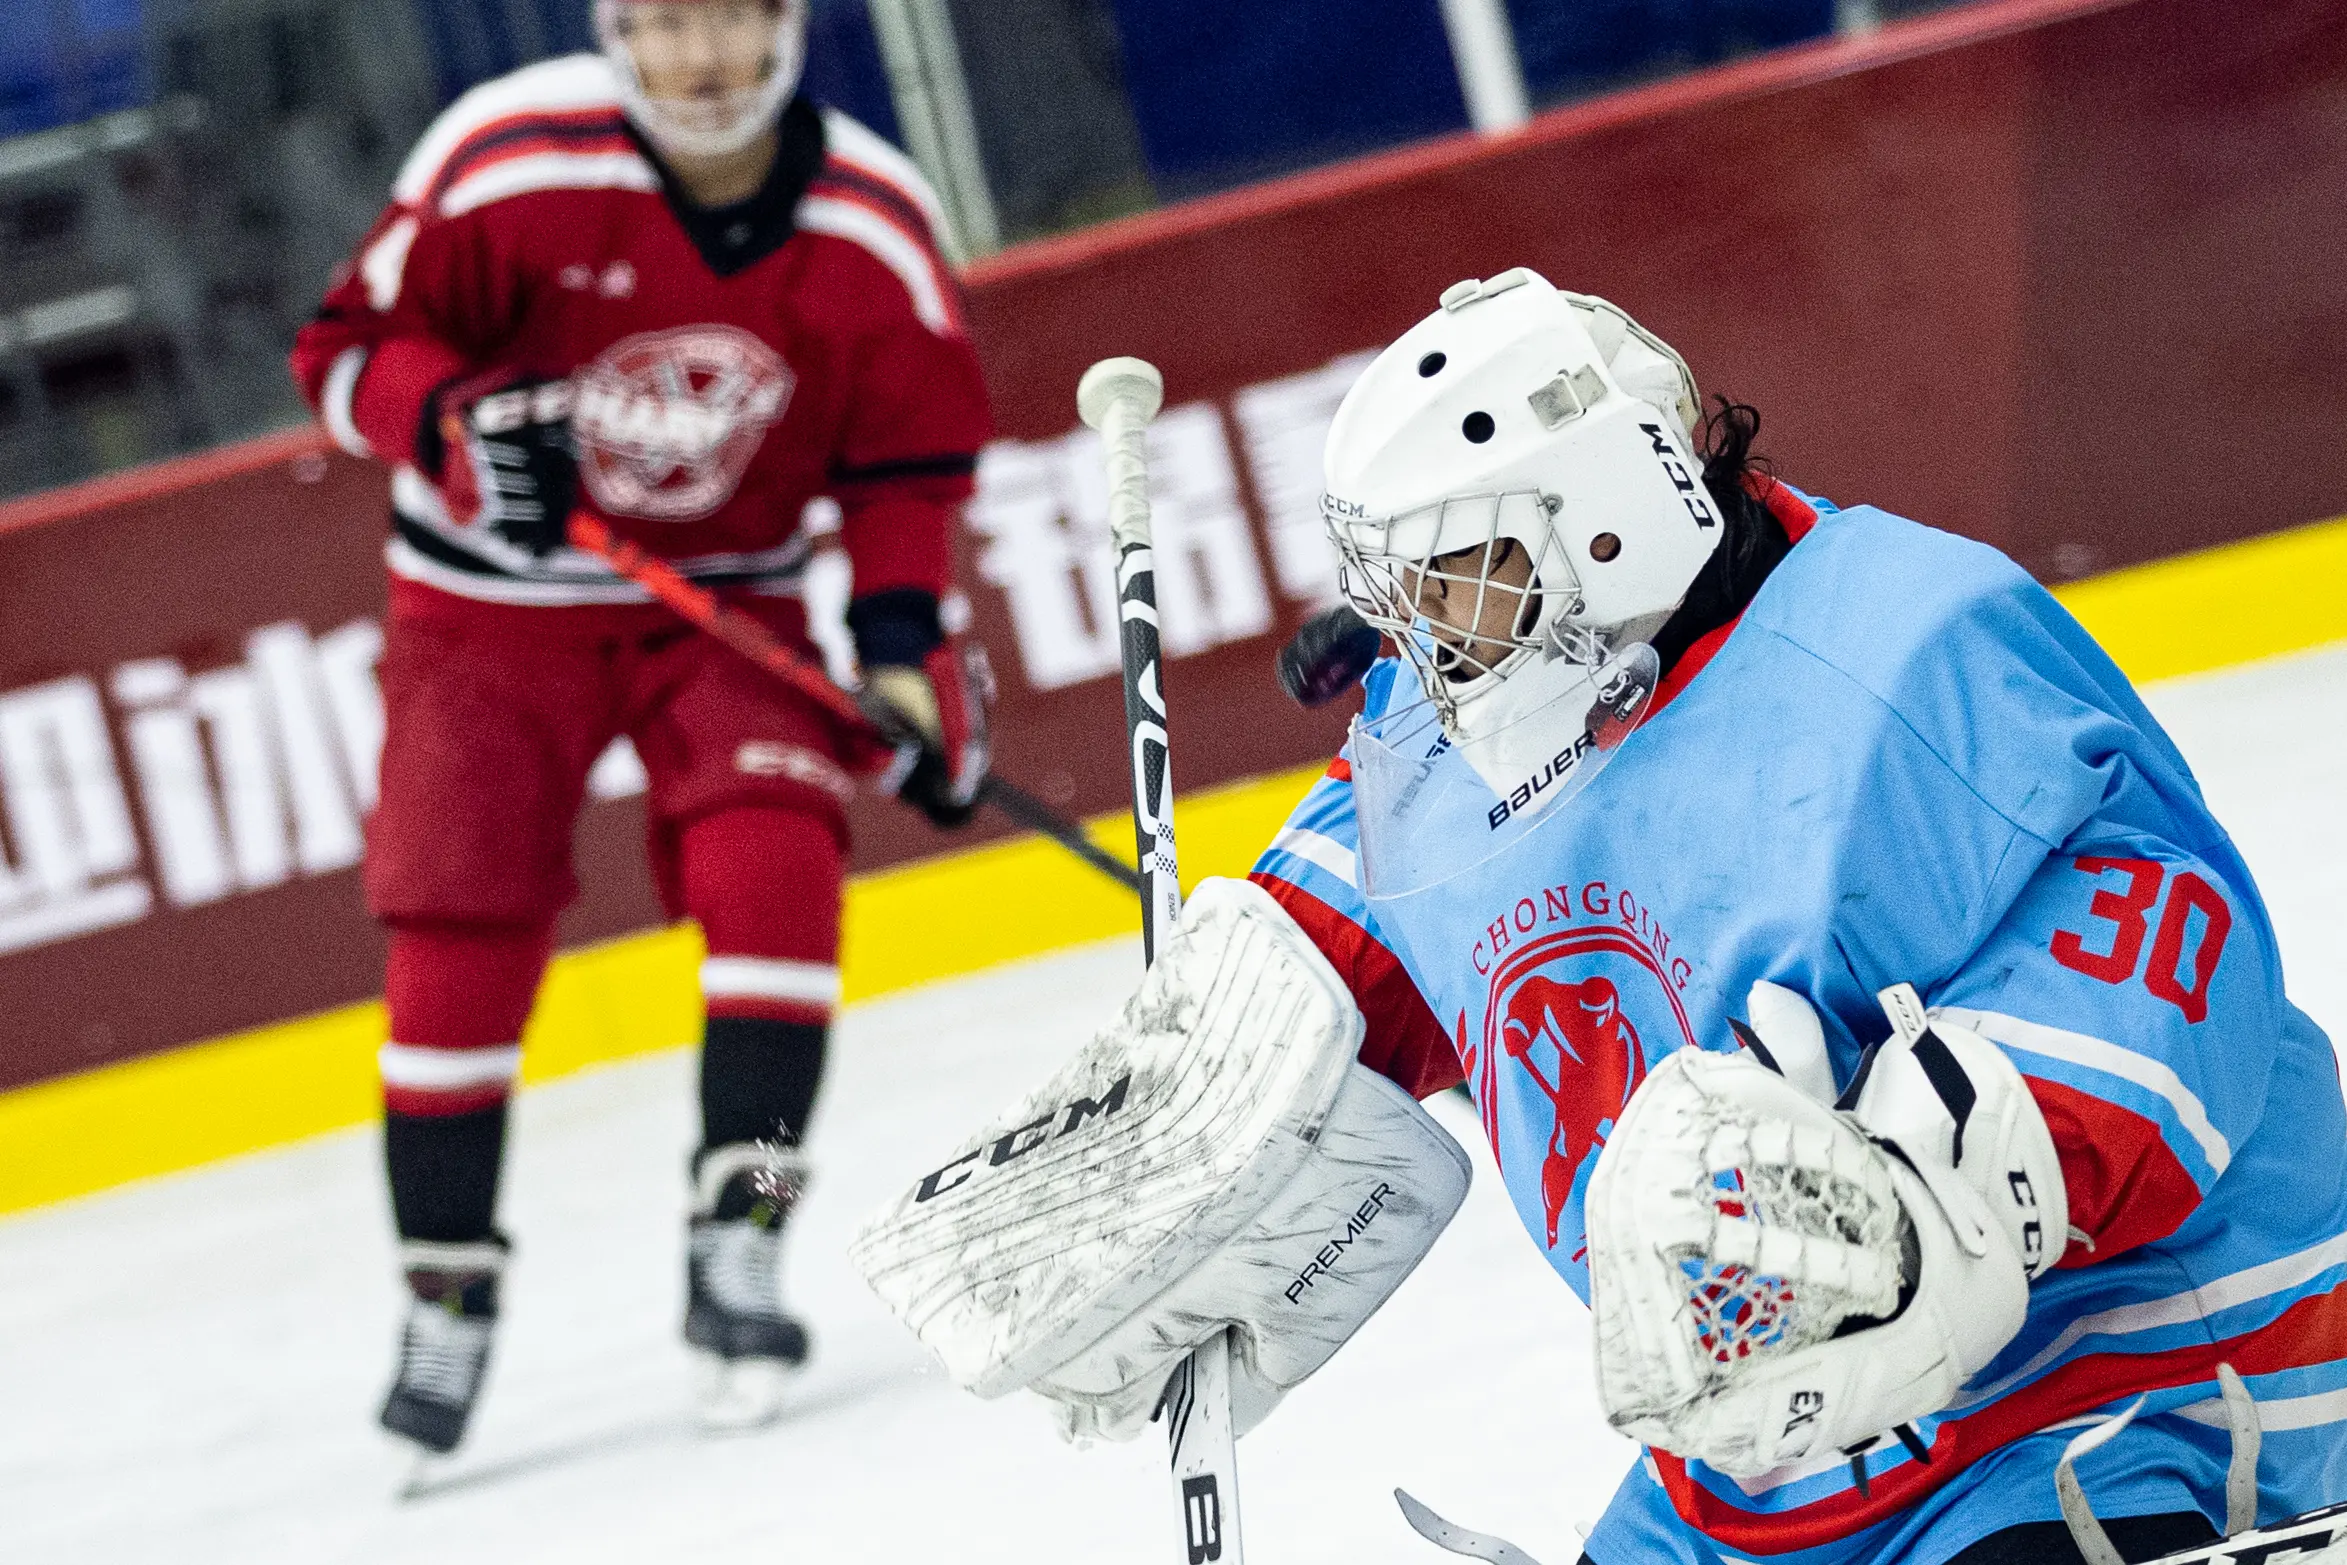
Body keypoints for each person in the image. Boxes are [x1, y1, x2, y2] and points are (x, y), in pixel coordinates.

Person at [860, 269, 2347, 1564]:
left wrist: (1919, 1200)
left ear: (1608, 527)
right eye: (1405, 604)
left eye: (1460, 585)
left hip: (2111, 1372)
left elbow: (2161, 941)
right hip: (1755, 1463)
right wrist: (1191, 1115)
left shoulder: (1902, 648)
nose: (1428, 653)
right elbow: (1337, 963)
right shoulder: (1465, 728)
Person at [288, 0, 993, 1454]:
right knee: (455, 951)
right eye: (664, 23)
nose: (703, 60)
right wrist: (459, 427)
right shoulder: (506, 160)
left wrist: (903, 656)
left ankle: (743, 1238)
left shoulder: (871, 223)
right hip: (481, 608)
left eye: (732, 17)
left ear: (790, 24)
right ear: (616, 31)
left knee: (776, 885)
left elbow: (905, 470)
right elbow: (343, 351)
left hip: (722, 605)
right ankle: (447, 1289)